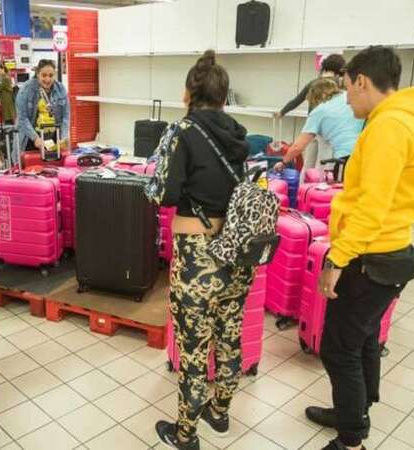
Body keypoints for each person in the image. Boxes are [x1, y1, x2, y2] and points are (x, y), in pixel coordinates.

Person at [305, 46, 414, 450]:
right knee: (363, 339)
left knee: (338, 348)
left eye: (347, 89)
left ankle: (351, 441)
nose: (346, 99)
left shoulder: (388, 127)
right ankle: (355, 411)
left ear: (362, 81)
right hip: (391, 253)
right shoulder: (405, 121)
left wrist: (337, 258)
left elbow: (371, 207)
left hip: (371, 258)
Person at [146, 50, 251, 450]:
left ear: (190, 92)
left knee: (193, 344)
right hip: (236, 250)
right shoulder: (238, 133)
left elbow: (164, 194)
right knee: (229, 333)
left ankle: (186, 434)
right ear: (224, 97)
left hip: (198, 254)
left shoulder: (182, 131)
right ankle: (220, 413)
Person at [273, 78, 364, 173]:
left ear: (316, 96)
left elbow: (298, 146)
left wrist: (283, 162)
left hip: (344, 157)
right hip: (366, 152)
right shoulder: (350, 96)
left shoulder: (319, 111)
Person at [15, 59, 69, 154]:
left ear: (55, 75)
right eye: (44, 75)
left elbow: (66, 117)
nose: (47, 79)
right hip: (30, 139)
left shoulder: (61, 89)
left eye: (51, 75)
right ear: (37, 74)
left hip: (53, 139)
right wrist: (35, 138)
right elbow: (22, 118)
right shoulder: (26, 90)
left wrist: (63, 137)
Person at [276, 53, 346, 118]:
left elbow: (296, 101)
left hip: (312, 122)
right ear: (341, 69)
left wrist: (282, 112)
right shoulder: (342, 84)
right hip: (332, 124)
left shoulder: (313, 83)